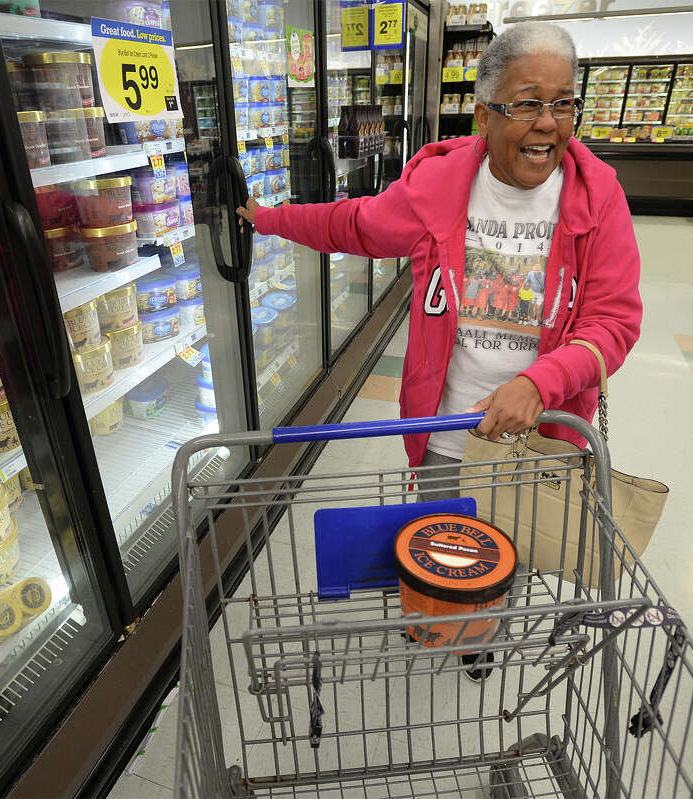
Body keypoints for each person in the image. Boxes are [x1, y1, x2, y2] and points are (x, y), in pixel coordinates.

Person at [237, 21, 642, 675]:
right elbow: (355, 223)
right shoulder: (441, 188)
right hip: (447, 424)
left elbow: (613, 322)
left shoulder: (599, 201)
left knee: (504, 548)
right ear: (484, 114)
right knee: (442, 538)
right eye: (528, 103)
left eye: (563, 102)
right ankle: (435, 617)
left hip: (539, 438)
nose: (548, 124)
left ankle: (480, 633)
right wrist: (269, 218)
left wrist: (540, 384)